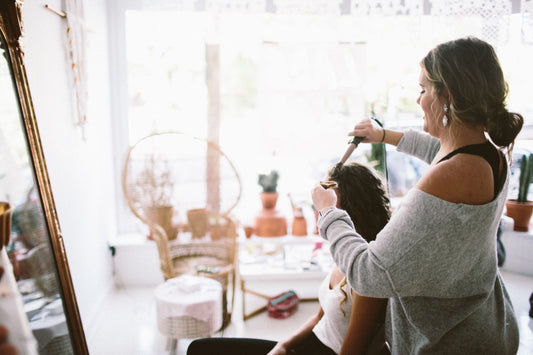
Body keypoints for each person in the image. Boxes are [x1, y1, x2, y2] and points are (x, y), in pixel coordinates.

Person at [312, 36, 522, 354]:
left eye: (423, 90)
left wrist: (329, 213)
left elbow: (369, 274)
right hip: (485, 321)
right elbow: (438, 150)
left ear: (447, 96)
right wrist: (383, 136)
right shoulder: (488, 155)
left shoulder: (447, 178)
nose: (418, 99)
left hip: (450, 341)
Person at [187, 162, 391, 355]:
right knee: (200, 348)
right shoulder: (344, 251)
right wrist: (283, 346)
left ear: (352, 212)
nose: (319, 216)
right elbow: (320, 318)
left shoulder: (368, 274)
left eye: (326, 208)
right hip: (311, 344)